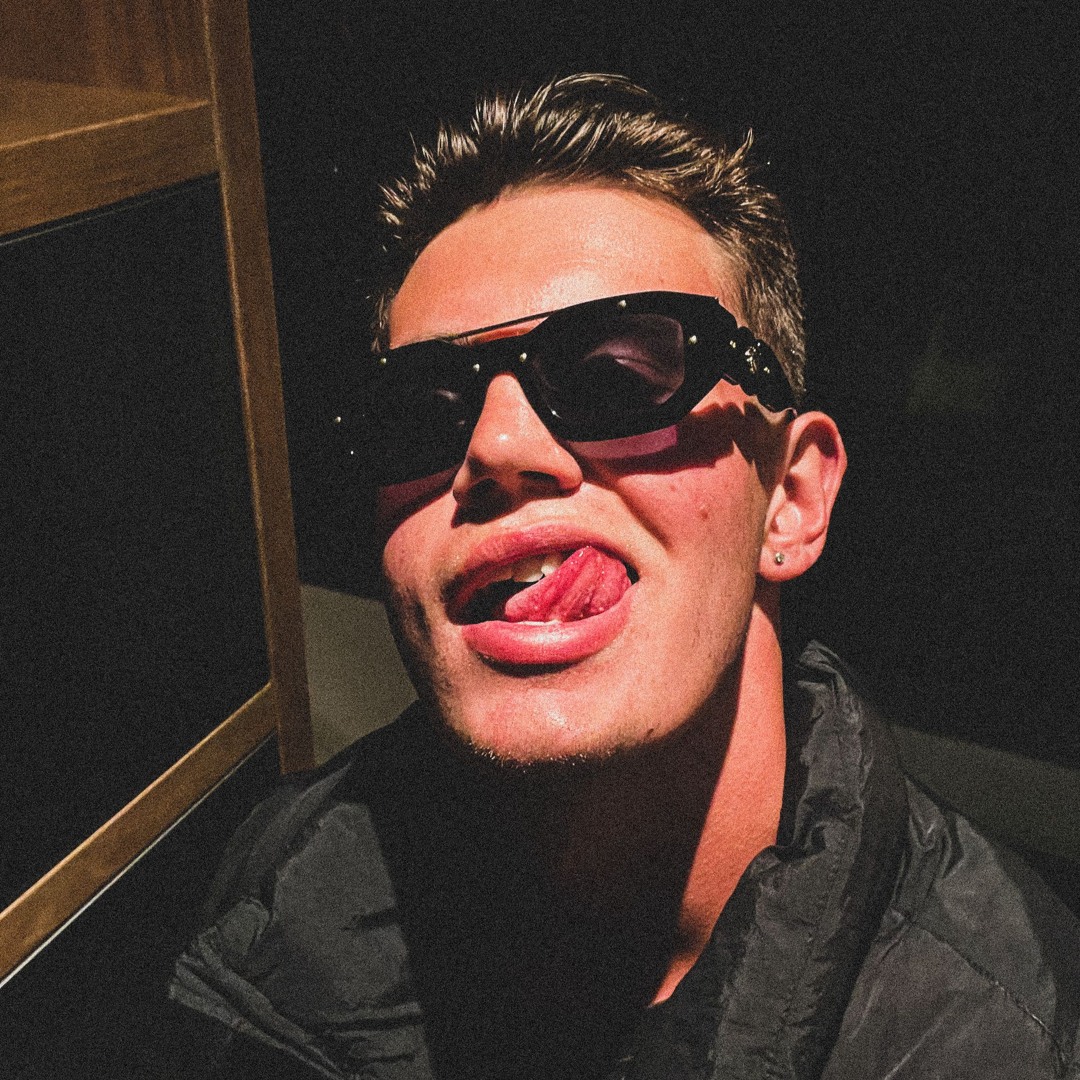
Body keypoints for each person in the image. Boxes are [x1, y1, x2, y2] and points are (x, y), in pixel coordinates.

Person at [171, 74, 1080, 1079]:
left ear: (790, 500)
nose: (498, 446)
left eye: (614, 377)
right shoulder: (276, 887)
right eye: (423, 412)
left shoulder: (1009, 1035)